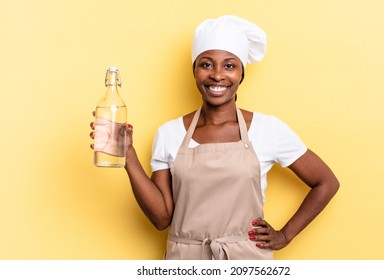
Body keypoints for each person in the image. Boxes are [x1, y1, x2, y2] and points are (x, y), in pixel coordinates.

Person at [90, 15, 339, 260]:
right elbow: (161, 218)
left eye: (229, 65)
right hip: (184, 261)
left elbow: (326, 182)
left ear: (242, 75)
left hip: (246, 261)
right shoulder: (169, 133)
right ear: (194, 71)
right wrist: (128, 156)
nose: (217, 75)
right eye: (206, 64)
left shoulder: (268, 129)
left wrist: (285, 235)